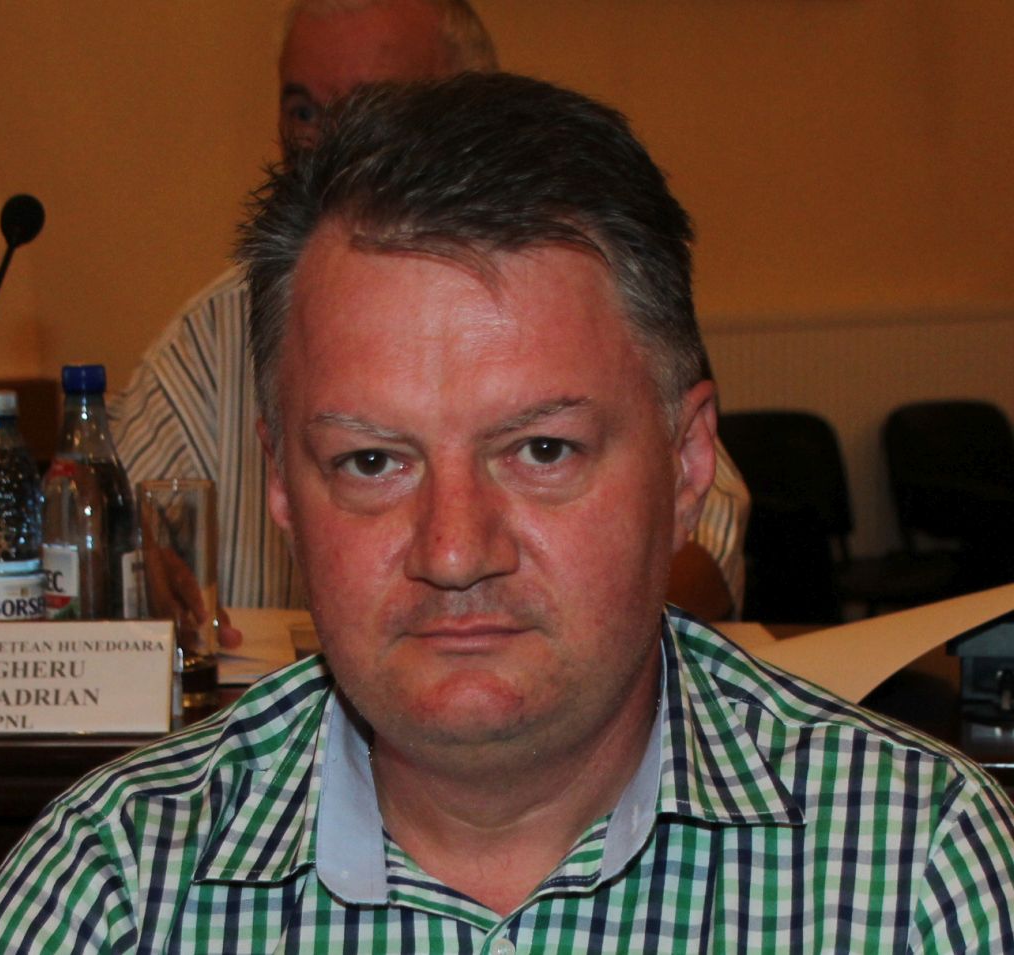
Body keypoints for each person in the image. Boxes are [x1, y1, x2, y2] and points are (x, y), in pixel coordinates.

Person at [0, 73, 1012, 951]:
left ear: (687, 465)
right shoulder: (108, 893)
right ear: (281, 489)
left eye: (541, 450)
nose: (452, 550)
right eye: (372, 461)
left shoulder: (924, 877)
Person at [110, 0, 749, 624]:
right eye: (303, 110)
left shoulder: (590, 294)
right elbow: (113, 539)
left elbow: (709, 556)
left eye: (544, 450)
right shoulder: (214, 330)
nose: (325, 143)